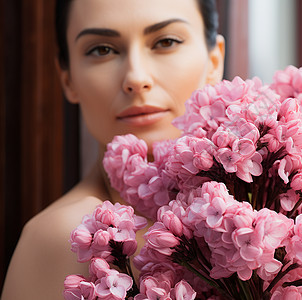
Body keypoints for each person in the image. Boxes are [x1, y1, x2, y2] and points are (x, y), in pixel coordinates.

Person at [1, 0, 225, 298]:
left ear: (214, 62)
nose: (136, 77)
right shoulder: (64, 238)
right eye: (102, 50)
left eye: (165, 42)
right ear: (67, 78)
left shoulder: (265, 214)